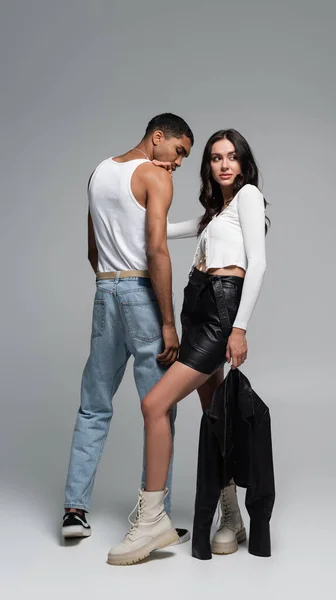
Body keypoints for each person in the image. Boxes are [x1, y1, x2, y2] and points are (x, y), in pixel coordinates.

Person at [107, 129, 270, 565]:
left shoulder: (249, 196)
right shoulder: (217, 213)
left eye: (232, 156)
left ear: (243, 162)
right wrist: (147, 190)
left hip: (220, 315)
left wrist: (239, 328)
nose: (224, 164)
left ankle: (152, 519)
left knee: (154, 404)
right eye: (216, 158)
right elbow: (164, 230)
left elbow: (258, 264)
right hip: (195, 311)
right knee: (217, 418)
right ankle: (231, 517)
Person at [62, 113, 194, 546]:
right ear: (158, 138)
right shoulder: (155, 178)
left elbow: (91, 248)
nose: (177, 164)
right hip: (141, 294)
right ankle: (155, 517)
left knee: (93, 405)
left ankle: (75, 511)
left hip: (105, 291)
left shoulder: (99, 173)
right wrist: (168, 321)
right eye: (178, 152)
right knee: (160, 408)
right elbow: (155, 249)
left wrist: (110, 287)